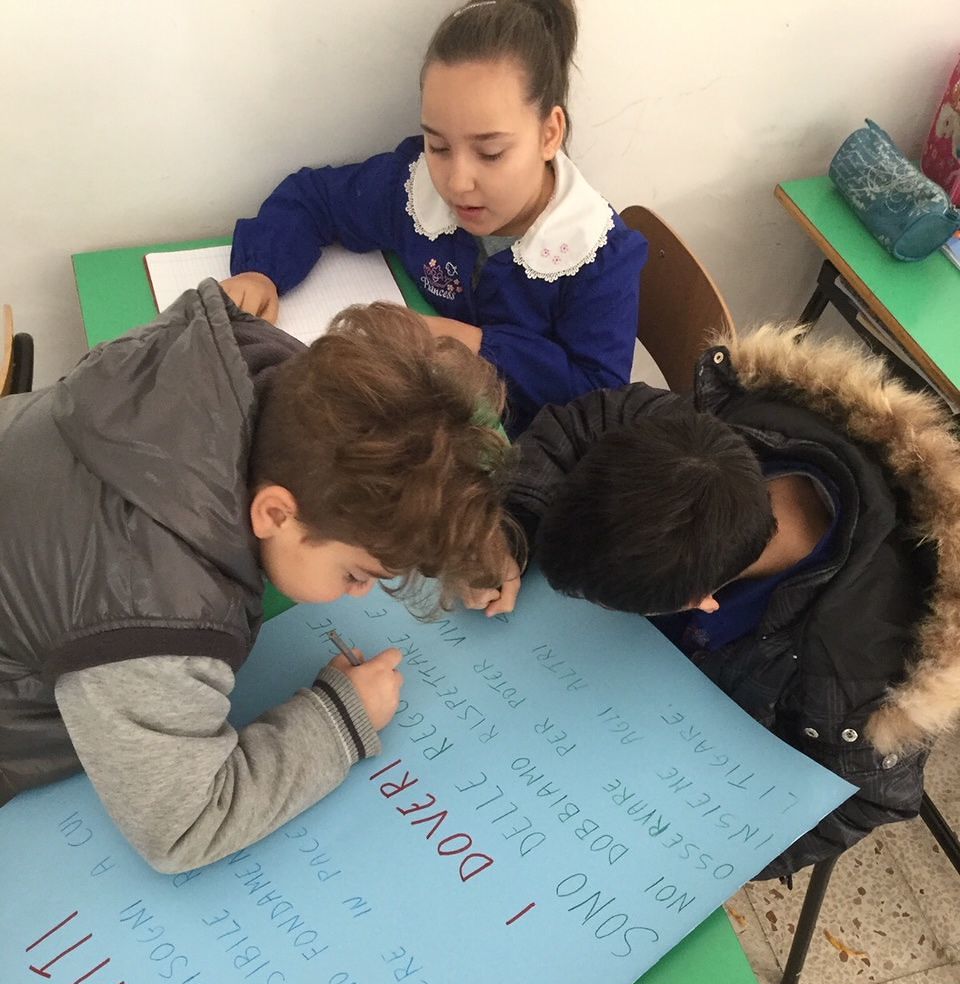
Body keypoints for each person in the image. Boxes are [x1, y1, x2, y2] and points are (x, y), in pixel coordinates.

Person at [0, 286, 515, 872]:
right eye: (356, 573)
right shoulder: (150, 616)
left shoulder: (262, 370)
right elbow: (184, 828)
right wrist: (340, 718)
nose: (361, 594)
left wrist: (457, 547)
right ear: (274, 513)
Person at [500, 326, 960, 878]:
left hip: (663, 779)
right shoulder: (690, 442)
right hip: (602, 700)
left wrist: (711, 856)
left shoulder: (858, 674)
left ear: (701, 601)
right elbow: (585, 422)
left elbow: (869, 800)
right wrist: (512, 525)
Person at [222, 0, 646, 439]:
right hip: (419, 415)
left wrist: (466, 342)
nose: (458, 183)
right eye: (439, 146)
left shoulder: (598, 254)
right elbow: (315, 199)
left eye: (490, 153)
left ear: (549, 134)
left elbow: (597, 399)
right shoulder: (413, 187)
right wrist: (262, 271)